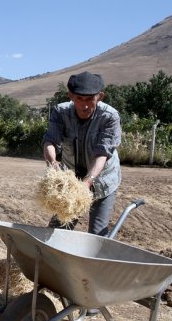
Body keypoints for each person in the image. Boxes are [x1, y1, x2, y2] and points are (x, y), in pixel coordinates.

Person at [43, 71, 121, 236]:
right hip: (72, 178)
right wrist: (53, 164)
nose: (84, 105)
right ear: (70, 96)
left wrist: (88, 181)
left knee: (96, 233)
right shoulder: (60, 112)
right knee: (58, 230)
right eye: (79, 98)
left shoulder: (109, 116)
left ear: (99, 96)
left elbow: (102, 153)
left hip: (102, 180)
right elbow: (50, 141)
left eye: (90, 99)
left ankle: (93, 261)